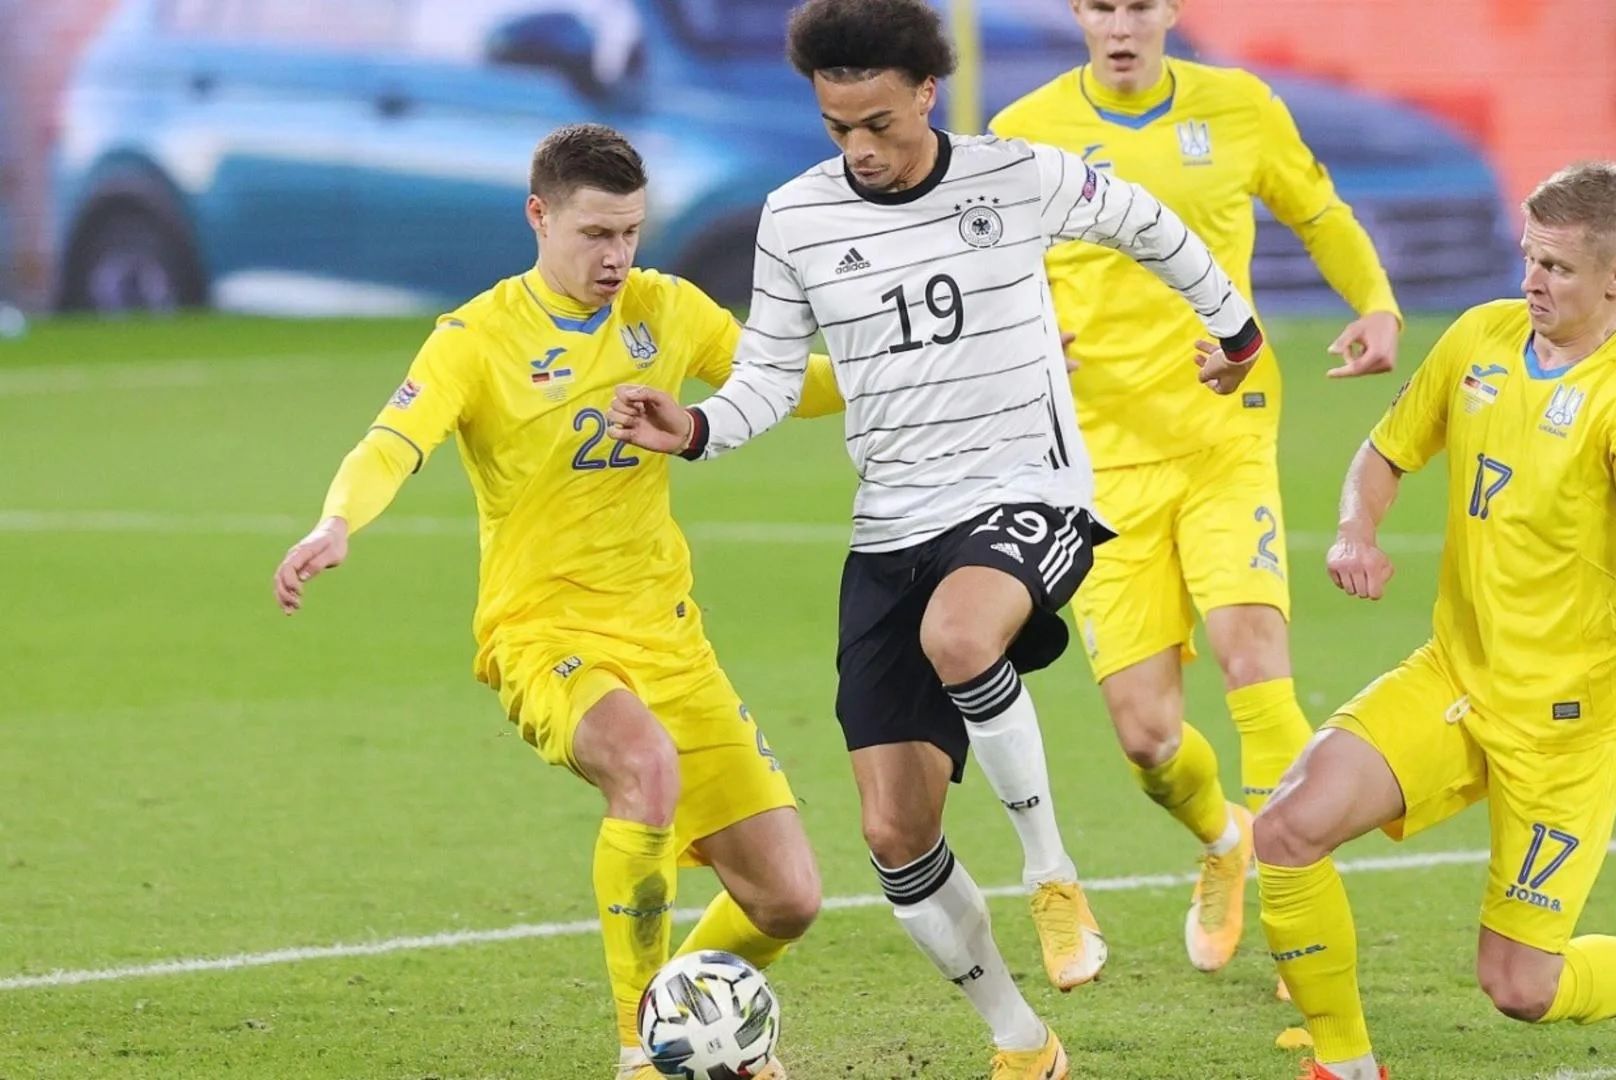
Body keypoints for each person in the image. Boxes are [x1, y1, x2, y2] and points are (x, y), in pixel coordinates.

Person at [605, 2, 1267, 1073]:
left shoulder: (1015, 175)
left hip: (1028, 490)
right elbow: (768, 377)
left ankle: (1052, 877)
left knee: (961, 637)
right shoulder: (797, 218)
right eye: (838, 128)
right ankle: (1023, 1043)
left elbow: (1148, 222)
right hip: (891, 533)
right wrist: (693, 428)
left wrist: (1235, 330)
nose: (861, 148)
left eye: (879, 123)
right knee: (894, 836)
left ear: (926, 91)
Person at [270, 123, 844, 1080]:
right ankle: (642, 1050)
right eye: (595, 234)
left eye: (631, 233)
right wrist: (337, 522)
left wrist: (923, 368)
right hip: (543, 633)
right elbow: (392, 442)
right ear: (539, 216)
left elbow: (783, 385)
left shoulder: (667, 309)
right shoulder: (476, 338)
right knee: (644, 768)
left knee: (788, 901)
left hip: (670, 640)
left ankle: (695, 1025)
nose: (617, 257)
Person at [1250, 162, 1616, 1080]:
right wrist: (1357, 531)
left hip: (1565, 726)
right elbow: (1384, 452)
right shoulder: (1480, 337)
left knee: (1521, 986)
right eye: (1528, 257)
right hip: (1456, 675)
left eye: (1556, 267)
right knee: (1285, 827)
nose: (1532, 282)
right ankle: (1347, 1066)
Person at [989, 0, 1403, 978]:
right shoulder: (1024, 132)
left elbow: (1318, 211)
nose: (1121, 25)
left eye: (1139, 5)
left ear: (1169, 11)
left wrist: (1376, 304)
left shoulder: (1240, 106)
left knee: (1252, 657)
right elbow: (982, 263)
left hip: (1227, 430)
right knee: (1147, 738)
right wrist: (1020, 336)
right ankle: (1225, 839)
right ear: (1078, 14)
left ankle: (1302, 932)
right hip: (1098, 460)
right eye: (1101, 6)